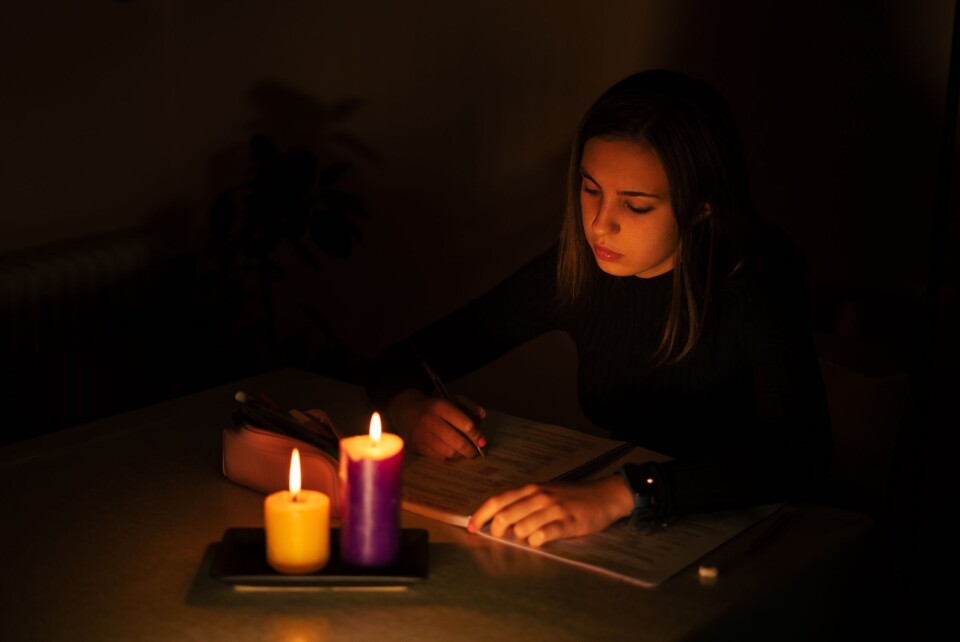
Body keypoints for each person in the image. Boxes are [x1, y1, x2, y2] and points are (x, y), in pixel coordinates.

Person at [363, 69, 832, 548]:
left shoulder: (753, 281)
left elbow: (799, 458)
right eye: (591, 190)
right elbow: (402, 360)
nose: (600, 225)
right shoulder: (578, 270)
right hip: (630, 539)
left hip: (757, 537)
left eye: (636, 206)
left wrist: (623, 495)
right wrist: (408, 408)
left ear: (701, 208)